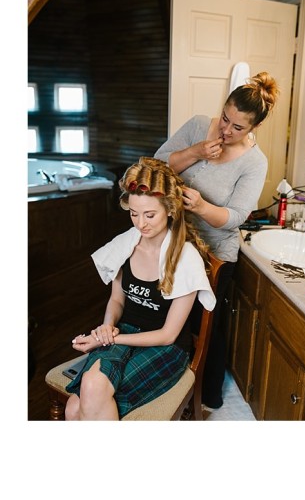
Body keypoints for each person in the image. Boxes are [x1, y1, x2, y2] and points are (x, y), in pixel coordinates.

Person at [154, 71, 278, 409]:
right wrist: (194, 151)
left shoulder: (254, 163)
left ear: (253, 128)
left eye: (237, 127)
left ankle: (206, 395)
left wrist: (203, 207)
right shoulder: (197, 126)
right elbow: (157, 165)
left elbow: (236, 218)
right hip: (175, 241)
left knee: (205, 323)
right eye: (225, 118)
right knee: (167, 314)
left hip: (216, 253)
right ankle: (166, 388)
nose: (226, 130)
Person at [65, 157, 216, 420]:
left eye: (150, 214)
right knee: (74, 405)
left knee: (85, 401)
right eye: (134, 214)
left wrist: (109, 339)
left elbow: (168, 335)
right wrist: (106, 327)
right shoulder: (126, 245)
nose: (140, 224)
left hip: (166, 349)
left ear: (170, 209)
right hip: (125, 333)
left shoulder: (185, 258)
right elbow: (117, 301)